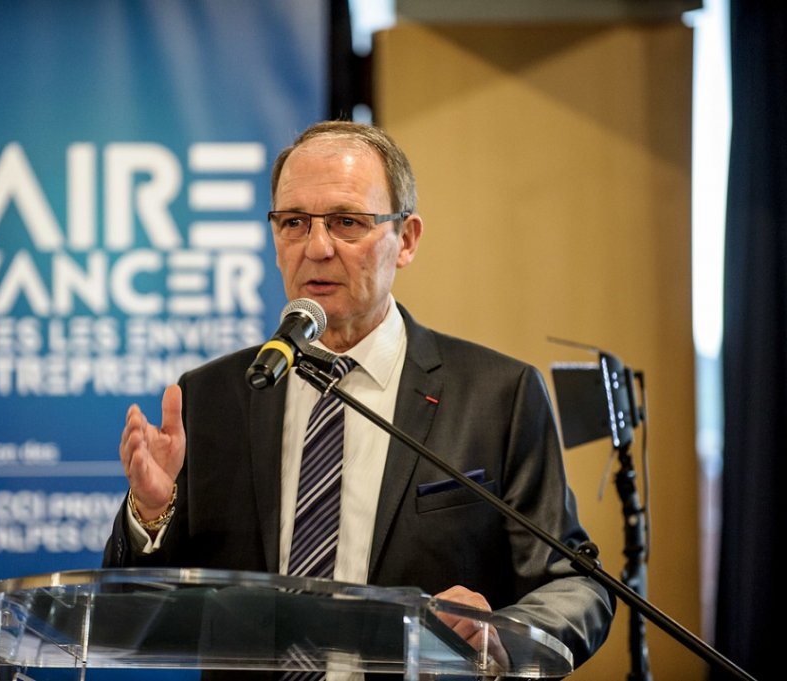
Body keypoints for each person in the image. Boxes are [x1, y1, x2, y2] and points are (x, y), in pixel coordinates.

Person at [104, 121, 614, 676]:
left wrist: (504, 634)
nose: (317, 248)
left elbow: (574, 585)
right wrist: (153, 514)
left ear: (407, 239)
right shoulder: (214, 396)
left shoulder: (497, 396)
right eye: (294, 222)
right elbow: (139, 612)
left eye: (347, 223)